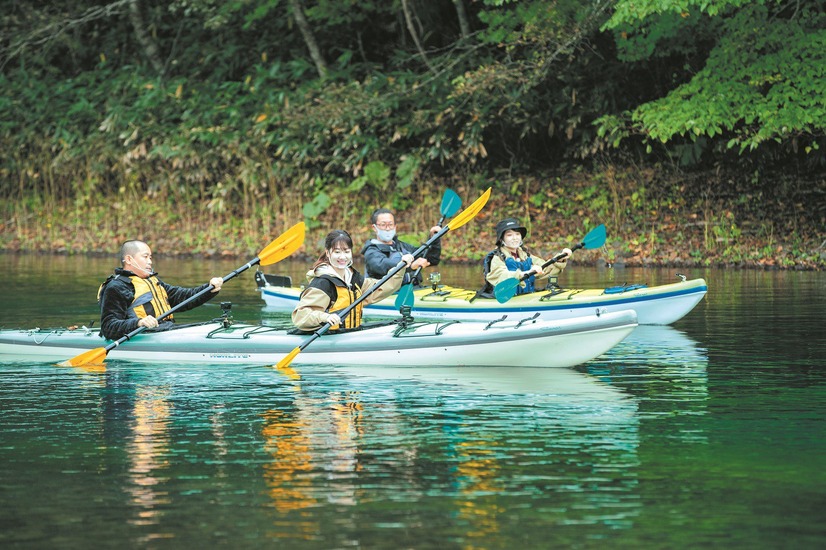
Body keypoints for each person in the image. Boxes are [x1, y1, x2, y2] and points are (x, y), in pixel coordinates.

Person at [98, 240, 224, 340]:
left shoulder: (153, 282)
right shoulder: (116, 287)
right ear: (130, 259)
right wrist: (138, 322)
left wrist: (209, 288)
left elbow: (183, 298)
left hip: (166, 331)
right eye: (145, 257)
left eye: (150, 257)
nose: (150, 262)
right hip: (144, 336)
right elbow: (108, 327)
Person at [293, 229, 411, 331]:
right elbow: (300, 316)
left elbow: (381, 287)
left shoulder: (354, 279)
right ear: (328, 253)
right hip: (330, 336)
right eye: (337, 252)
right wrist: (325, 317)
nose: (343, 257)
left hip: (350, 332)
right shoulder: (323, 283)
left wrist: (400, 267)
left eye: (346, 251)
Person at [481, 217, 572, 297]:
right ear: (501, 239)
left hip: (527, 296)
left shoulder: (525, 255)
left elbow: (546, 268)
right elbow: (501, 276)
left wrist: (560, 258)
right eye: (509, 235)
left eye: (517, 234)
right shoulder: (498, 258)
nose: (515, 238)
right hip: (509, 299)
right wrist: (524, 273)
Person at [361, 208, 441, 286]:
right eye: (383, 225)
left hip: (413, 289)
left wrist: (434, 239)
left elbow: (431, 259)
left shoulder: (402, 246)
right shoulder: (371, 251)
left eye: (390, 224)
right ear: (374, 228)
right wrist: (410, 265)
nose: (388, 228)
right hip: (385, 294)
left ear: (395, 226)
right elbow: (382, 266)